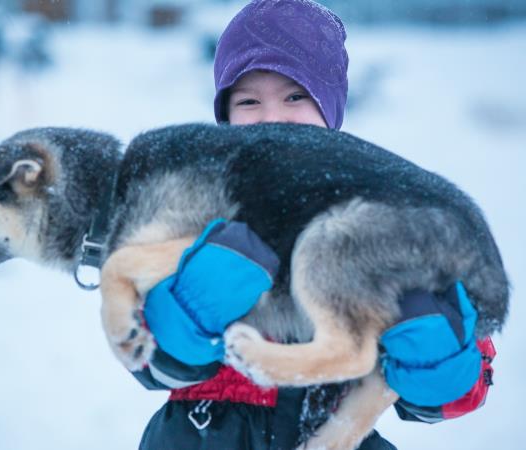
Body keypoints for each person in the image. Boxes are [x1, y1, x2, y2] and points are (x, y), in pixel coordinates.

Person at [132, 1, 495, 449]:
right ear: (225, 119)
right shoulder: (195, 211)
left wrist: (438, 361)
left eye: (295, 96)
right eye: (248, 101)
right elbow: (141, 354)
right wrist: (183, 316)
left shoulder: (384, 220)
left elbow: (461, 392)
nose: (272, 118)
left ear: (331, 110)